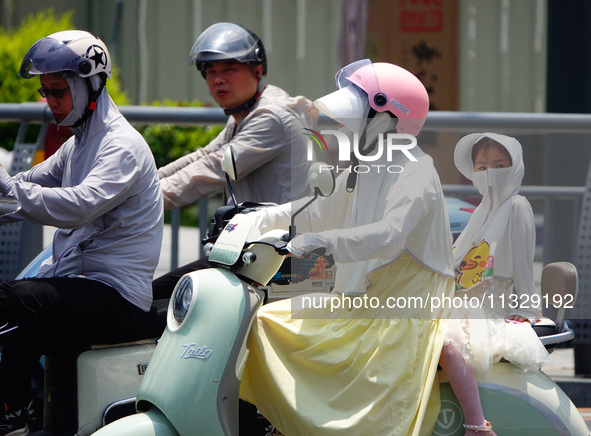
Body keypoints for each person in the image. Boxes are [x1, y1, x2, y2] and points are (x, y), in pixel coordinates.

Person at [238, 60, 455, 435]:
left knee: (273, 328)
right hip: (361, 304)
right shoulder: (366, 164)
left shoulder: (417, 171)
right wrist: (257, 219)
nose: (341, 126)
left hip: (398, 314)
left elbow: (389, 234)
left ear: (387, 118)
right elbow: (316, 209)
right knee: (262, 320)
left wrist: (321, 242)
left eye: (351, 115)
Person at [0, 30, 163, 435]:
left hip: (117, 294)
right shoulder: (78, 143)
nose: (49, 102)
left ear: (89, 83)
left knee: (24, 299)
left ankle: (11, 411)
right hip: (81, 281)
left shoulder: (120, 146)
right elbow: (27, 187)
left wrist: (6, 186)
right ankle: (29, 411)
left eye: (58, 91)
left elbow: (77, 205)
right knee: (17, 296)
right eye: (45, 91)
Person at [153, 22, 315, 298]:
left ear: (258, 70)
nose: (218, 79)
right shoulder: (243, 116)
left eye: (229, 69)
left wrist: (140, 200)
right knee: (165, 294)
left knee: (165, 298)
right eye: (211, 72)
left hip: (281, 259)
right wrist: (143, 184)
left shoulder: (271, 117)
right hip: (252, 250)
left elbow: (211, 169)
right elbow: (204, 155)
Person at [439, 133, 551, 436]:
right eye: (482, 167)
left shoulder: (517, 206)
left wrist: (528, 309)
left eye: (500, 165)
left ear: (515, 168)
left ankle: (477, 425)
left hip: (484, 310)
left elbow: (522, 266)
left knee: (445, 343)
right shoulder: (480, 211)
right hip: (456, 302)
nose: (490, 174)